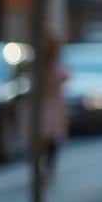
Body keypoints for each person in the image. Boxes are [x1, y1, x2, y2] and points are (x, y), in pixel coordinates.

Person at [39, 34, 70, 177]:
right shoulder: (47, 67)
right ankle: (47, 166)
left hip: (50, 105)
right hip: (49, 105)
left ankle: (46, 166)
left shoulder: (52, 66)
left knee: (48, 138)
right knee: (49, 138)